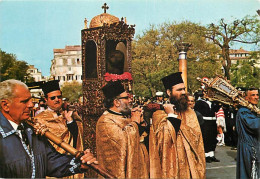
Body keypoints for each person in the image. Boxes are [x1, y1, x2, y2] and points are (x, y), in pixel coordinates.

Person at [0, 79, 97, 178]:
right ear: (5, 105)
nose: (31, 105)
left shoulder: (32, 129)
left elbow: (51, 161)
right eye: (24, 101)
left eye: (30, 100)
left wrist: (80, 163)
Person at [150, 72, 206, 178]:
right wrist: (171, 115)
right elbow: (163, 142)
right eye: (179, 90)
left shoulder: (190, 113)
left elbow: (198, 142)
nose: (184, 92)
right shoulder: (159, 114)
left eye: (184, 89)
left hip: (190, 168)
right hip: (170, 167)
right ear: (168, 92)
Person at [96, 81, 149, 178]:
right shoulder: (105, 121)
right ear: (116, 102)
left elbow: (138, 139)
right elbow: (123, 142)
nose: (130, 100)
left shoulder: (124, 118)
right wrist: (135, 123)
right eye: (126, 98)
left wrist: (141, 123)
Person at [35, 80, 84, 178]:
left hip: (73, 162)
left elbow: (77, 137)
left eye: (59, 97)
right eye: (53, 98)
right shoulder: (40, 119)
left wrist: (70, 122)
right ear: (46, 100)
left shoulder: (69, 114)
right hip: (55, 166)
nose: (57, 100)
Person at [236, 87, 259, 179]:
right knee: (250, 173)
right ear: (246, 98)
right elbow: (254, 125)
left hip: (253, 145)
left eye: (257, 94)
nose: (256, 97)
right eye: (253, 95)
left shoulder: (253, 110)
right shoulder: (243, 111)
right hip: (249, 147)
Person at [194, 89, 221, 163]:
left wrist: (218, 103)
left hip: (212, 121)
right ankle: (206, 155)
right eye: (206, 92)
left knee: (212, 138)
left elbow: (215, 110)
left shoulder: (211, 101)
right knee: (206, 138)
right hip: (205, 122)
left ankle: (211, 155)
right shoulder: (199, 102)